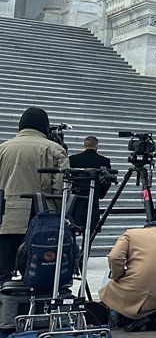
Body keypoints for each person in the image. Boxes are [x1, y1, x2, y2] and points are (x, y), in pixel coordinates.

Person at [0, 108, 69, 281]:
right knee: (36, 274)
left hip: (5, 218)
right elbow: (61, 187)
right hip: (41, 219)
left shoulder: (3, 148)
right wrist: (60, 214)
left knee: (3, 273)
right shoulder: (55, 149)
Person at [97, 207, 156, 329]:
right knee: (148, 293)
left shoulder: (131, 234)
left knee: (109, 290)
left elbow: (114, 257)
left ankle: (126, 317)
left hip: (133, 289)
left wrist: (117, 276)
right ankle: (152, 314)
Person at [69, 136, 112, 240]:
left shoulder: (73, 159)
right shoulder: (104, 161)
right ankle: (86, 249)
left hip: (76, 200)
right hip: (93, 200)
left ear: (84, 145)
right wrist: (100, 194)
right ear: (97, 146)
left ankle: (72, 249)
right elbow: (107, 181)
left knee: (71, 229)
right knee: (90, 232)